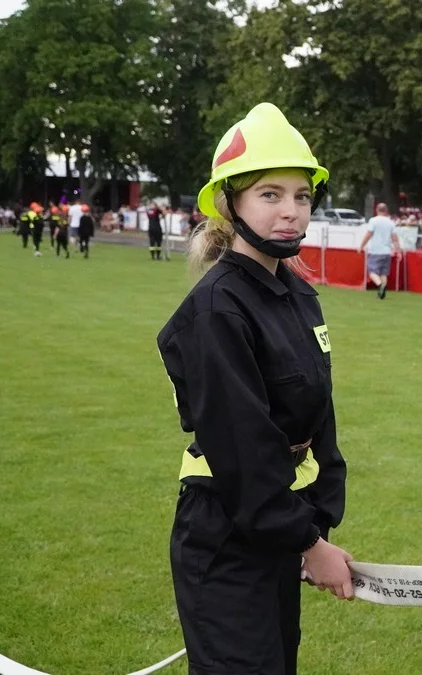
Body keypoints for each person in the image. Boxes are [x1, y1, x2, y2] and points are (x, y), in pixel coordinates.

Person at [156, 102, 354, 675]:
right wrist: (308, 545)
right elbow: (242, 446)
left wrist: (315, 522)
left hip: (276, 523)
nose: (290, 212)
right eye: (270, 195)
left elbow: (320, 414)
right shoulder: (217, 308)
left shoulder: (298, 293)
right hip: (223, 530)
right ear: (229, 203)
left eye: (301, 195)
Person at [359, 202, 400, 299]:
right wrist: (398, 250)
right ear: (386, 211)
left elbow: (368, 234)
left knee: (372, 271)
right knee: (383, 273)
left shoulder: (373, 221)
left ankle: (380, 285)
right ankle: (381, 293)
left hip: (375, 251)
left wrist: (361, 246)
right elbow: (394, 238)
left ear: (377, 210)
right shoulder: (390, 222)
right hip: (386, 251)